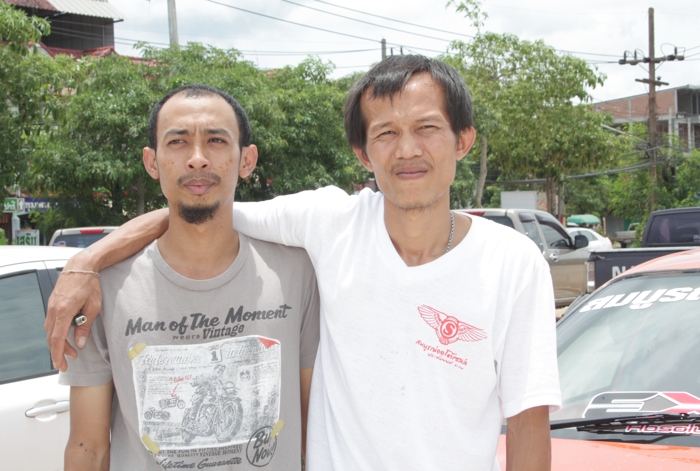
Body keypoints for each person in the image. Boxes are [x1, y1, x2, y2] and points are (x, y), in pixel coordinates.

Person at [48, 56, 560, 471]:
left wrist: (87, 258)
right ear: (363, 153)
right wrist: (87, 262)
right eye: (385, 133)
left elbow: (528, 427)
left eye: (427, 127)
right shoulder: (330, 223)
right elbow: (201, 203)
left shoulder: (513, 264)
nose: (407, 149)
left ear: (463, 140)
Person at [58, 84, 319, 470]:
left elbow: (314, 430)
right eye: (178, 142)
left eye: (216, 140)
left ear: (246, 160)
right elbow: (88, 447)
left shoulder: (296, 273)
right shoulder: (101, 290)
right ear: (152, 162)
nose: (197, 159)